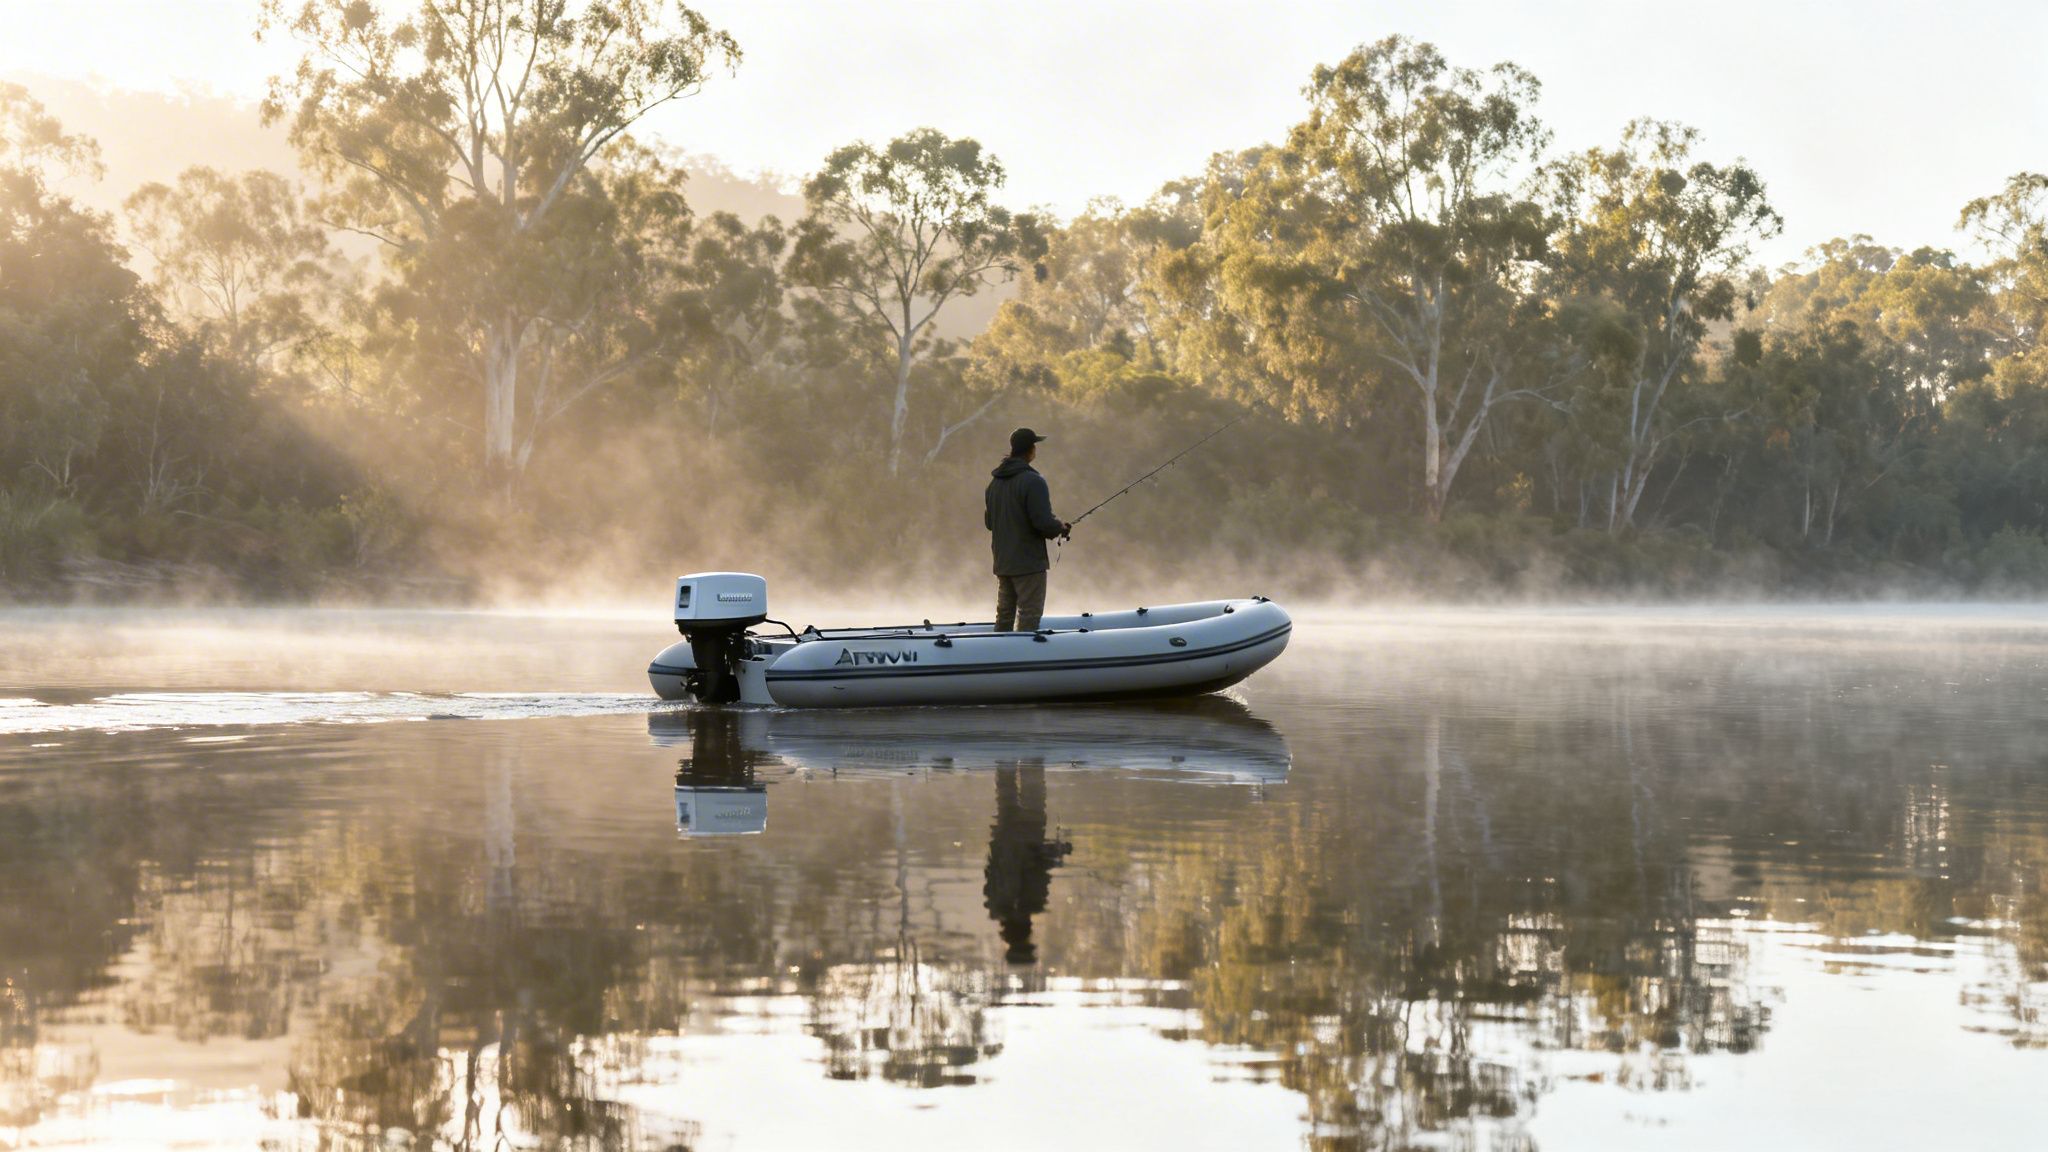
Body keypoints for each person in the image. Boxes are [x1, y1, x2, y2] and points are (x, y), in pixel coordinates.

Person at [984, 427, 1071, 632]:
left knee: (1004, 616)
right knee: (1029, 616)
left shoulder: (994, 484)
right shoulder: (1034, 481)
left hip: (1003, 562)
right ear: (1031, 450)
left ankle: (998, 656)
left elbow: (990, 523)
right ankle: (1022, 657)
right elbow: (1042, 522)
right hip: (1029, 564)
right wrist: (1060, 527)